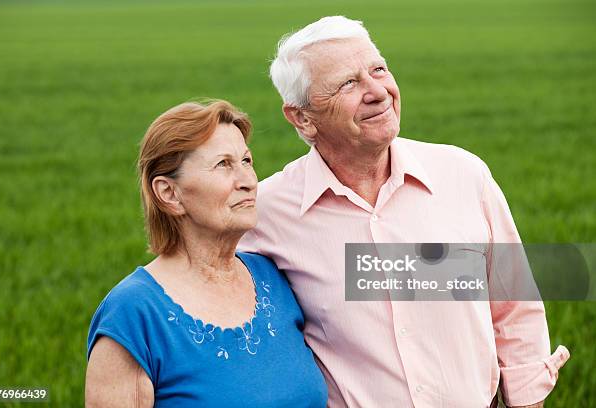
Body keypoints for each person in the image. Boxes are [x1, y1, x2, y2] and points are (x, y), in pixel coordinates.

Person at [238, 16, 570, 408]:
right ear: (302, 117)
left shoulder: (462, 175)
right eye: (348, 83)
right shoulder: (266, 212)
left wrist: (527, 401)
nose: (377, 91)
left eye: (378, 69)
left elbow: (514, 305)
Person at [85, 100, 327, 407]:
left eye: (247, 161)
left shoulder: (273, 278)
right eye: (224, 164)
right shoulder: (133, 314)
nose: (249, 182)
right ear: (169, 193)